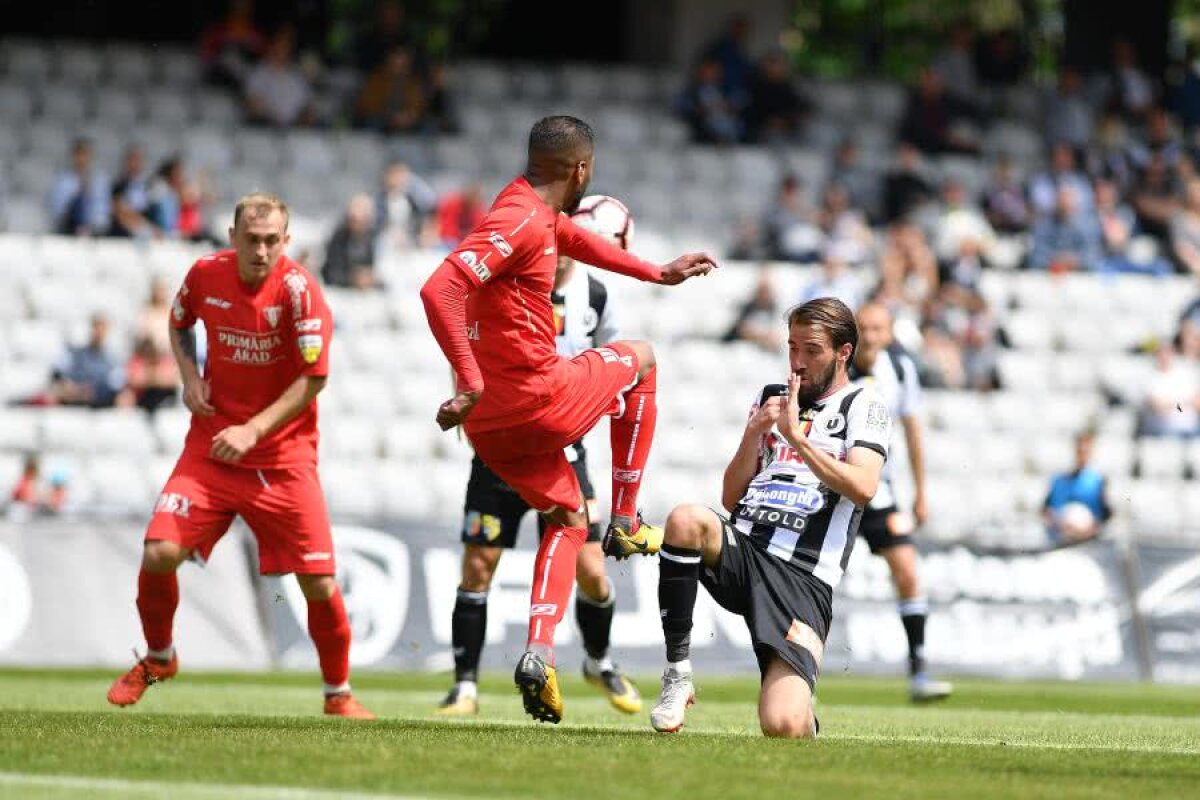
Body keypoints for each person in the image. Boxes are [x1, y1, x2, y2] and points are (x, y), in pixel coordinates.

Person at [421, 116, 715, 724]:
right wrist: (469, 379)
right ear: (581, 170)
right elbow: (438, 289)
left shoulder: (523, 206)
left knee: (568, 517)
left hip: (492, 429)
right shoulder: (521, 219)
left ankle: (540, 652)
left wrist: (657, 272)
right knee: (643, 358)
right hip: (538, 398)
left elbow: (578, 242)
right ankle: (628, 519)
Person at [105, 193, 373, 719]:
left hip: (283, 458)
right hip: (212, 450)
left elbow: (315, 377)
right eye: (252, 239)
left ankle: (338, 694)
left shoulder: (301, 291)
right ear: (233, 237)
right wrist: (189, 378)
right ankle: (159, 658)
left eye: (272, 241)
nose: (262, 250)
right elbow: (178, 322)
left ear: (286, 241)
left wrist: (253, 429)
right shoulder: (206, 274)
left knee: (319, 583)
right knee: (159, 552)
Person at [438, 196, 640, 718]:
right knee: (478, 564)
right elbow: (466, 340)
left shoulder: (597, 295)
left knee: (592, 570)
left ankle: (598, 661)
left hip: (564, 446)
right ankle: (465, 686)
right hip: (502, 443)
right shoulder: (508, 282)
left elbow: (611, 369)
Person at [648, 298, 888, 737]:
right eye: (792, 347)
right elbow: (731, 497)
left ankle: (804, 716)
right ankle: (677, 674)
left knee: (782, 725)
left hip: (802, 578)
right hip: (746, 550)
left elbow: (864, 486)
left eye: (811, 350)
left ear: (844, 352)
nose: (798, 362)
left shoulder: (864, 404)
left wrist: (798, 439)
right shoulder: (771, 397)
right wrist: (754, 432)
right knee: (684, 520)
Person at [849, 302, 952, 702]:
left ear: (889, 333)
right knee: (816, 578)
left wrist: (921, 493)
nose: (870, 336)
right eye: (863, 328)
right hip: (836, 488)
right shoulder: (836, 367)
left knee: (907, 570)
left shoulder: (900, 369)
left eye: (877, 329)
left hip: (880, 490)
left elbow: (912, 431)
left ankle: (919, 671)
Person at [1043, 430, 1112, 544]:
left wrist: (1090, 529)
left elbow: (1106, 515)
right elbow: (1046, 511)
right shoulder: (1058, 481)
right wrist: (1058, 524)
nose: (1082, 455)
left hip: (1089, 542)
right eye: (1080, 451)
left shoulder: (1098, 481)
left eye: (1086, 451)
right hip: (1060, 539)